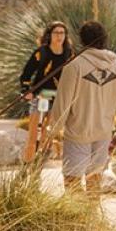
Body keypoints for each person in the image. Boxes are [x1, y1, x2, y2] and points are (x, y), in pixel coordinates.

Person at [50, 20, 116, 194]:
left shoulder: (74, 66)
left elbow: (62, 103)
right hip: (103, 134)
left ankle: (77, 221)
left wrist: (54, 131)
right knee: (94, 185)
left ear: (82, 40)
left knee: (72, 186)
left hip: (77, 133)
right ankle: (91, 220)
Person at [18, 21, 72, 161]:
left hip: (58, 98)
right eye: (56, 33)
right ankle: (28, 164)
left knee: (48, 133)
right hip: (40, 96)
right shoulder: (41, 52)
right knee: (33, 133)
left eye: (62, 33)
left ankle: (41, 162)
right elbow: (26, 74)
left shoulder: (70, 53)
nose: (59, 36)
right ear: (50, 35)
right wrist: (26, 90)